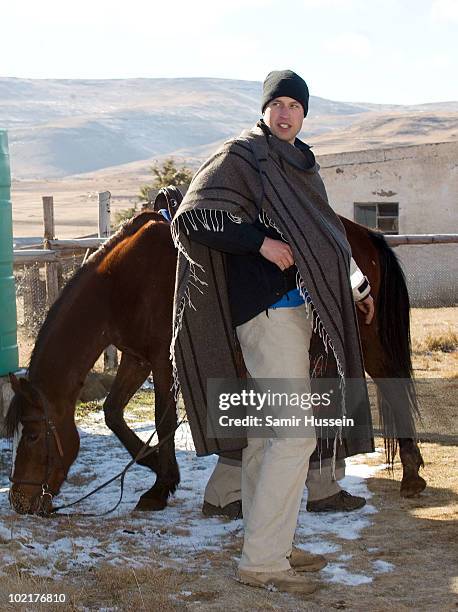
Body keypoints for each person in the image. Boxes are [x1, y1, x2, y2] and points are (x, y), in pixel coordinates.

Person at [170, 69, 374, 594]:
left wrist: (356, 287)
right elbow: (195, 217)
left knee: (267, 434)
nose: (285, 113)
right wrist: (260, 243)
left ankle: (269, 541)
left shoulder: (302, 165)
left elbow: (325, 235)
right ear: (264, 109)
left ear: (305, 114)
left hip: (300, 312)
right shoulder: (242, 155)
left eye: (295, 106)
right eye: (277, 104)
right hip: (265, 313)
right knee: (294, 435)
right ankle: (263, 563)